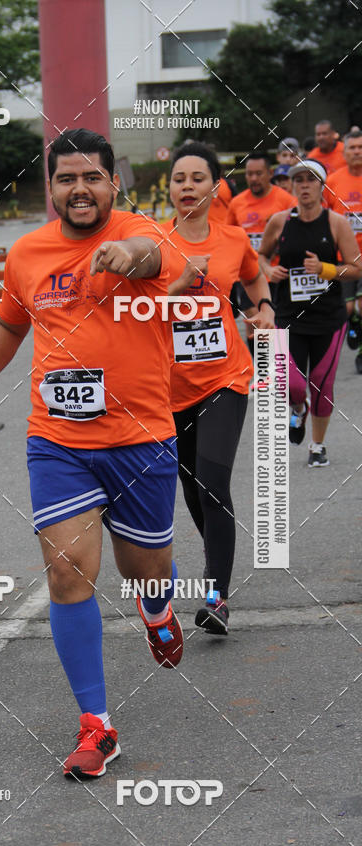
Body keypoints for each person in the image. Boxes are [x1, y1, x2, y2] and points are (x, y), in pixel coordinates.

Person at [0, 129, 181, 780]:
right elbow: (10, 323)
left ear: (115, 183)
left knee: (144, 571)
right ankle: (97, 726)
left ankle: (157, 609)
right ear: (49, 187)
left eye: (92, 178)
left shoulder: (149, 232)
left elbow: (146, 256)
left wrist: (120, 257)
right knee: (65, 571)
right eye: (65, 179)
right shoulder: (28, 252)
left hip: (140, 440)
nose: (79, 189)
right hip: (58, 442)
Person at [160, 142, 275, 637]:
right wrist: (176, 286)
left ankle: (216, 597)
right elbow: (132, 310)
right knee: (191, 488)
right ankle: (218, 563)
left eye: (197, 178)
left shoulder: (231, 239)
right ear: (169, 189)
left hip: (226, 377)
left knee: (212, 481)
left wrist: (265, 306)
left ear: (214, 187)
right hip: (169, 388)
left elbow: (252, 275)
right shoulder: (152, 244)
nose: (187, 185)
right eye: (179, 178)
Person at [258, 160, 361, 466]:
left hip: (328, 318)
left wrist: (326, 269)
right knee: (292, 384)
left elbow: (356, 267)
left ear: (322, 186)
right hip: (286, 316)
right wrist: (268, 269)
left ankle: (317, 445)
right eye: (298, 179)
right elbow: (261, 255)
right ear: (291, 186)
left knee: (320, 382)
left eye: (311, 179)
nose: (304, 185)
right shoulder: (279, 222)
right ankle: (298, 409)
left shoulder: (336, 222)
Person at [226, 151, 295, 355]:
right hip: (248, 275)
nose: (253, 179)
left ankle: (275, 373)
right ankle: (266, 372)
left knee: (273, 324)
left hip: (278, 274)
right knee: (255, 321)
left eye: (258, 173)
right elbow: (228, 238)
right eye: (249, 174)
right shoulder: (237, 203)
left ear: (269, 173)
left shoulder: (286, 201)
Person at [325, 127, 362, 372]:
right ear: (344, 152)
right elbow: (325, 215)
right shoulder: (333, 181)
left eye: (361, 148)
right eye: (352, 148)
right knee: (349, 308)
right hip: (345, 257)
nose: (357, 152)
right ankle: (355, 324)